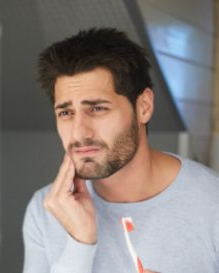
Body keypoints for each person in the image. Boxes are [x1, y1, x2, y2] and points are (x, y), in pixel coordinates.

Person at [22, 28, 219, 273]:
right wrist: (79, 244)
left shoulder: (212, 205)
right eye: (66, 113)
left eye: (97, 109)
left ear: (144, 107)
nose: (79, 133)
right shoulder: (45, 210)